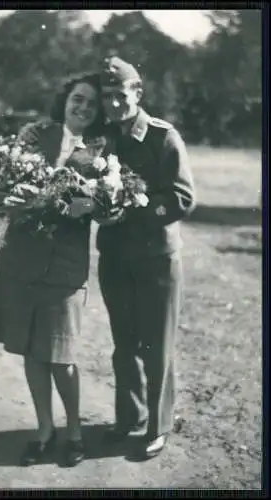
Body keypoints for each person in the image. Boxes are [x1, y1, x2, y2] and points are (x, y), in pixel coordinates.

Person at [0, 73, 106, 467]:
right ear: (65, 99)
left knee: (61, 356)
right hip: (22, 260)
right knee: (31, 351)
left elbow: (109, 202)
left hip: (65, 268)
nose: (83, 107)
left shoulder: (103, 149)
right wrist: (4, 194)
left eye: (91, 104)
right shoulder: (35, 135)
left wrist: (91, 204)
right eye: (78, 99)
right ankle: (43, 429)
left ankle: (74, 432)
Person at [96, 56, 197, 460]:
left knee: (156, 345)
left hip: (155, 258)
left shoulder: (162, 136)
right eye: (108, 97)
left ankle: (157, 427)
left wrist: (132, 207)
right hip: (116, 257)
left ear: (137, 93)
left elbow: (183, 197)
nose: (114, 104)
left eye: (121, 95)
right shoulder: (103, 138)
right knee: (124, 343)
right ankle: (129, 417)